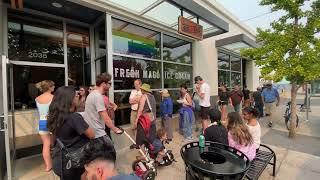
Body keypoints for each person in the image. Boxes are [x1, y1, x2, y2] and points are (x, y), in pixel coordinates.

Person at [47, 86, 95, 179]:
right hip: (73, 162)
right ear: (70, 99)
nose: (78, 96)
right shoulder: (74, 117)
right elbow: (92, 135)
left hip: (59, 160)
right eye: (76, 95)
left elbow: (52, 140)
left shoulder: (54, 116)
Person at [83, 73, 122, 159]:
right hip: (98, 133)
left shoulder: (92, 94)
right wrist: (115, 129)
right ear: (103, 83)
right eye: (109, 83)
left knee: (99, 157)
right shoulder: (97, 96)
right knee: (110, 156)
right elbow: (105, 116)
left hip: (93, 131)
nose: (110, 86)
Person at [35, 80, 55, 172]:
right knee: (53, 144)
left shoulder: (37, 98)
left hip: (42, 122)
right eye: (53, 86)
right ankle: (55, 161)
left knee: (46, 145)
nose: (54, 87)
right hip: (51, 122)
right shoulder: (54, 97)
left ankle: (48, 166)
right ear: (49, 87)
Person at [132, 83, 157, 149]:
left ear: (143, 90)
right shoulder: (152, 96)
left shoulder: (144, 96)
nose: (141, 90)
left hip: (145, 119)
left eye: (141, 89)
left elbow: (140, 109)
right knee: (150, 135)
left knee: (141, 133)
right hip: (152, 118)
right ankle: (150, 150)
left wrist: (136, 120)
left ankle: (139, 146)